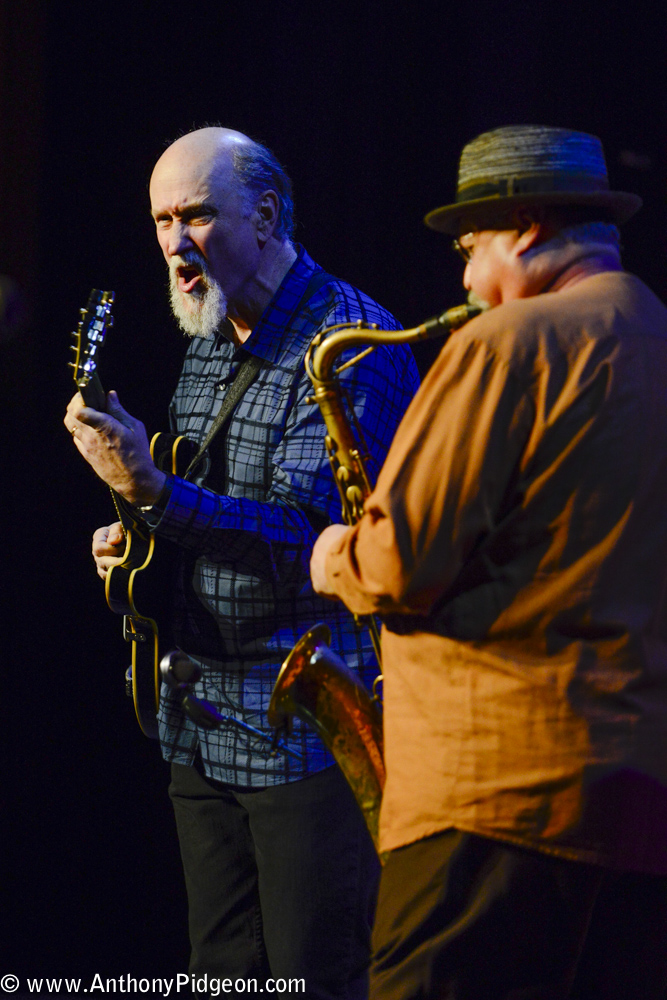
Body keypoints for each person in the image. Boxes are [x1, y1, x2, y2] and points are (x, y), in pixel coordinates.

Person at [310, 125, 667, 1000]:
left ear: (527, 226)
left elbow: (400, 563)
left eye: (471, 249)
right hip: (635, 809)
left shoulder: (507, 344)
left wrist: (334, 557)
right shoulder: (652, 335)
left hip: (493, 801)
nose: (465, 281)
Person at [65, 126, 419, 998]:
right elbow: (200, 501)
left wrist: (154, 493)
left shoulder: (351, 344)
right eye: (160, 221)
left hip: (304, 741)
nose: (174, 245)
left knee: (316, 977)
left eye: (194, 215)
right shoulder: (210, 327)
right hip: (198, 725)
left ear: (264, 213)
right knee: (220, 978)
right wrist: (136, 541)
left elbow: (308, 545)